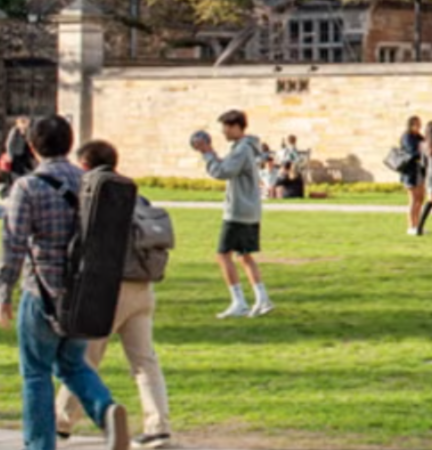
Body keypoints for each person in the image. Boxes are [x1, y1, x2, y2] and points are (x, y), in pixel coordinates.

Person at [0, 114, 131, 450]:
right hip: (84, 292)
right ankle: (106, 409)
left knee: (36, 372)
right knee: (72, 364)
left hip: (42, 289)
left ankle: (40, 444)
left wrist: (3, 293)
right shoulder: (90, 182)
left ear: (32, 146)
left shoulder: (27, 187)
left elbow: (13, 244)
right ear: (70, 144)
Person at [56, 140, 173, 448]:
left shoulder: (92, 194)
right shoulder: (134, 193)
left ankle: (61, 421)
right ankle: (158, 425)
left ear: (84, 165)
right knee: (144, 360)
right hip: (142, 285)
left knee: (85, 357)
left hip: (107, 287)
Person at [192, 109, 271, 318]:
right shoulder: (247, 147)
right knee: (244, 255)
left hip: (238, 211)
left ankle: (239, 302)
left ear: (236, 127)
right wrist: (212, 153)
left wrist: (207, 154)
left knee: (223, 255)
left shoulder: (242, 149)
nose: (223, 132)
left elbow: (222, 172)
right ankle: (262, 299)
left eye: (226, 127)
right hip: (250, 209)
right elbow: (227, 166)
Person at [398, 116, 426, 232]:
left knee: (420, 199)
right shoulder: (407, 137)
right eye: (416, 124)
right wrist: (423, 151)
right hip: (409, 172)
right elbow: (412, 152)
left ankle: (418, 225)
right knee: (413, 199)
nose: (418, 126)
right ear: (410, 125)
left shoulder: (419, 137)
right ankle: (411, 226)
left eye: (419, 124)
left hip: (419, 171)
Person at [2, 115, 35, 197]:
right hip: (16, 155)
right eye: (25, 122)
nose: (27, 124)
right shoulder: (15, 131)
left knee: (28, 171)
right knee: (16, 173)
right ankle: (9, 191)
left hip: (24, 154)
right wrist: (10, 155)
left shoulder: (26, 131)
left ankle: (23, 189)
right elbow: (9, 144)